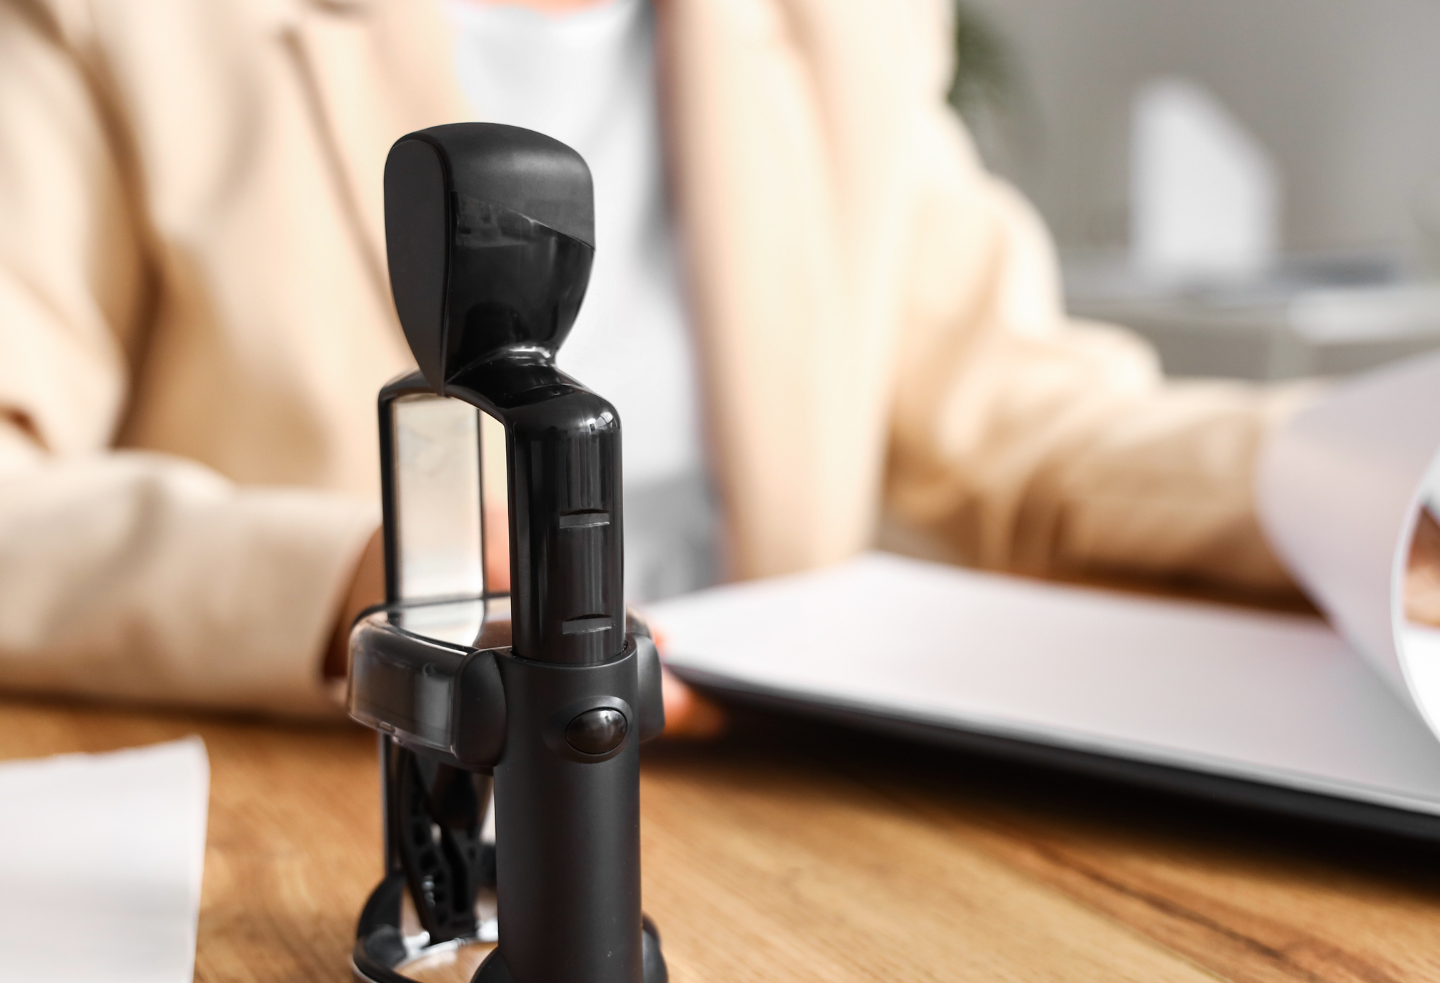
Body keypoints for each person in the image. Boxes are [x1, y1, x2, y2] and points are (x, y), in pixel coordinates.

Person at [0, 0, 1308, 726]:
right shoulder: (120, 28)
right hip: (329, 809)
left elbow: (1026, 420)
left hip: (765, 811)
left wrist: (1369, 485)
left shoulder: (845, 28)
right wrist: (356, 579)